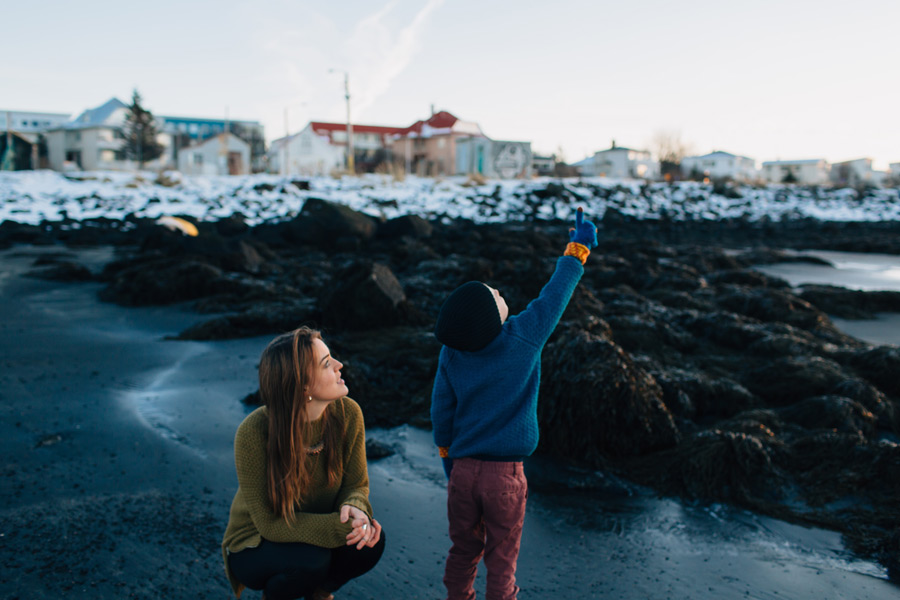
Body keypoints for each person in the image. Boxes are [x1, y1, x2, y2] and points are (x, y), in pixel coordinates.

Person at [430, 207, 598, 600]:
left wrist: (448, 460)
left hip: (463, 473)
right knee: (502, 559)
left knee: (463, 550)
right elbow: (555, 294)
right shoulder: (523, 338)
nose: (502, 294)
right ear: (491, 318)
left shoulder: (452, 354)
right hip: (505, 476)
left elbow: (441, 411)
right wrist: (578, 247)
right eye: (497, 297)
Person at [222, 326, 385, 600]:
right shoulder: (254, 432)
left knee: (368, 544)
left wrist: (356, 510)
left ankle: (319, 593)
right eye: (326, 363)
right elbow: (269, 524)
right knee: (311, 560)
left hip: (316, 529)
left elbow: (356, 485)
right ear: (303, 385)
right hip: (255, 544)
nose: (339, 365)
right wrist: (342, 527)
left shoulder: (349, 414)